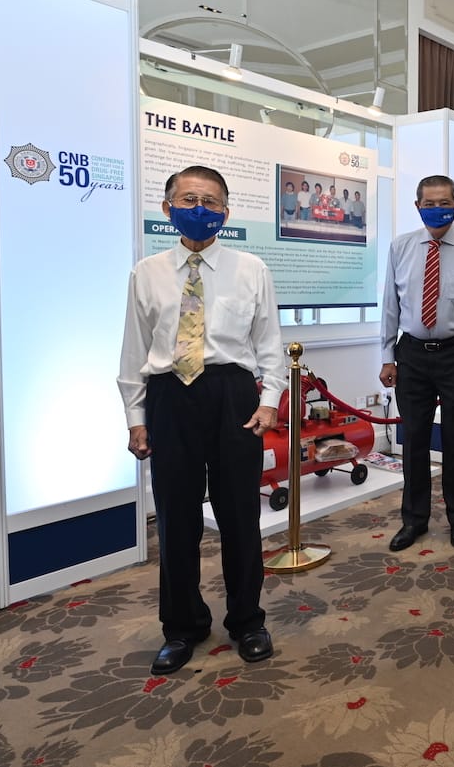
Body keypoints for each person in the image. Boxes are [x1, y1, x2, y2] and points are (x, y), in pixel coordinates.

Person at [118, 165, 285, 675]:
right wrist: (135, 416)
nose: (200, 209)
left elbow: (269, 344)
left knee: (240, 515)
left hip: (232, 396)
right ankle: (182, 626)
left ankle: (247, 620)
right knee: (176, 519)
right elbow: (134, 351)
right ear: (167, 208)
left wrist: (269, 400)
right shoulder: (146, 272)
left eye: (211, 202)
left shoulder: (250, 269)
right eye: (189, 199)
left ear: (226, 213)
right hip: (170, 397)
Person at [380, 175, 454, 552]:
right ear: (417, 206)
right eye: (429, 203)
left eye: (445, 203)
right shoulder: (401, 247)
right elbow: (390, 306)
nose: (437, 209)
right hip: (411, 354)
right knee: (414, 439)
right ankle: (414, 519)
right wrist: (387, 356)